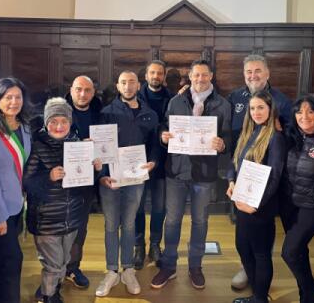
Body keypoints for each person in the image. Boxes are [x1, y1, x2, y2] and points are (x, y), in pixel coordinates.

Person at [151, 59, 232, 290]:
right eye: (196, 75)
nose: (200, 79)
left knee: (200, 221)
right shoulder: (176, 101)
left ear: (211, 76)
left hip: (204, 173)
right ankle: (168, 266)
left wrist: (223, 144)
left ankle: (195, 266)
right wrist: (163, 136)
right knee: (172, 220)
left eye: (204, 75)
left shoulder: (223, 104)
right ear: (190, 76)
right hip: (177, 170)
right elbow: (164, 126)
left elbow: (228, 136)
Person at [24, 97, 102, 303]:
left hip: (71, 218)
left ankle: (50, 289)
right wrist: (48, 177)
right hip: (47, 221)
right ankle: (50, 297)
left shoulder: (78, 145)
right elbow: (27, 183)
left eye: (63, 121)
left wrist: (94, 169)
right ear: (46, 122)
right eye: (53, 121)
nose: (59, 126)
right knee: (53, 265)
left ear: (70, 122)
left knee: (64, 260)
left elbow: (84, 184)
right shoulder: (37, 146)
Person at [228, 54, 292, 290]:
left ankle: (260, 294)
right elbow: (236, 156)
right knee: (243, 246)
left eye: (261, 108)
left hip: (261, 202)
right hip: (242, 196)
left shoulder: (276, 132)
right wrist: (231, 180)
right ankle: (255, 287)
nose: (256, 111)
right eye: (253, 108)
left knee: (261, 251)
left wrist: (257, 203)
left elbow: (275, 173)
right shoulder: (247, 129)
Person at [95, 70, 159, 297]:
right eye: (124, 82)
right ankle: (112, 270)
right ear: (118, 86)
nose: (128, 86)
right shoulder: (106, 112)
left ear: (138, 85)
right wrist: (102, 175)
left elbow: (154, 144)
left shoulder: (150, 114)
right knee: (111, 225)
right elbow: (99, 148)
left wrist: (153, 162)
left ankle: (128, 269)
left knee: (130, 224)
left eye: (132, 82)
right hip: (110, 179)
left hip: (135, 178)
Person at [0, 77, 32, 303]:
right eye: (8, 97)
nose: (14, 102)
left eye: (18, 97)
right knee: (11, 262)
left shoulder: (24, 127)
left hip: (17, 205)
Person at [279, 96, 314, 303]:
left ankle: (313, 293)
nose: (305, 116)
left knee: (289, 252)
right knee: (299, 251)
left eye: (310, 111)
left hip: (312, 207)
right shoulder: (289, 136)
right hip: (289, 204)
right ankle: (306, 297)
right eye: (299, 112)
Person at [63, 75, 102, 289]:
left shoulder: (100, 114)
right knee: (58, 228)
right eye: (78, 89)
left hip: (87, 180)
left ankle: (73, 267)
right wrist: (80, 144)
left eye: (87, 90)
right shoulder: (59, 111)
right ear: (71, 90)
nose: (83, 94)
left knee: (80, 227)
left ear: (93, 93)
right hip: (61, 180)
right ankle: (54, 271)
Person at [134, 59, 172, 269]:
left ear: (164, 76)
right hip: (137, 161)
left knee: (159, 207)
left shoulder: (172, 99)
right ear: (146, 75)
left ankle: (155, 244)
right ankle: (139, 245)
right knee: (137, 207)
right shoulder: (135, 97)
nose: (156, 76)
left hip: (162, 162)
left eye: (159, 73)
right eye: (152, 73)